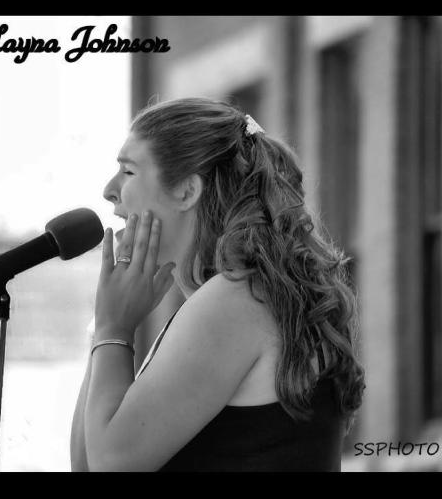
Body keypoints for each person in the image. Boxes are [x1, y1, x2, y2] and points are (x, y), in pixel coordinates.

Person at [70, 97, 366, 472]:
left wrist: (115, 329)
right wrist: (104, 328)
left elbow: (112, 464)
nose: (109, 190)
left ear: (186, 191)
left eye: (128, 172)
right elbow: (86, 463)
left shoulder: (234, 301)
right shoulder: (232, 299)